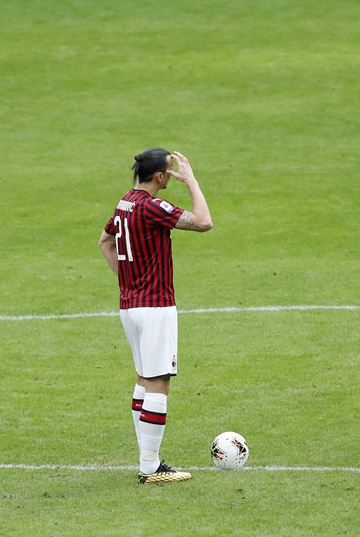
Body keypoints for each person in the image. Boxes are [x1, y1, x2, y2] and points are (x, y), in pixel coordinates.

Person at [98, 147, 213, 484]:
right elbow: (204, 222)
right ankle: (150, 466)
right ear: (161, 176)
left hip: (130, 305)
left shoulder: (126, 202)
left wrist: (126, 280)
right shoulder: (152, 206)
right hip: (155, 306)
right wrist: (192, 181)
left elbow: (105, 241)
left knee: (144, 378)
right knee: (159, 382)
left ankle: (149, 460)